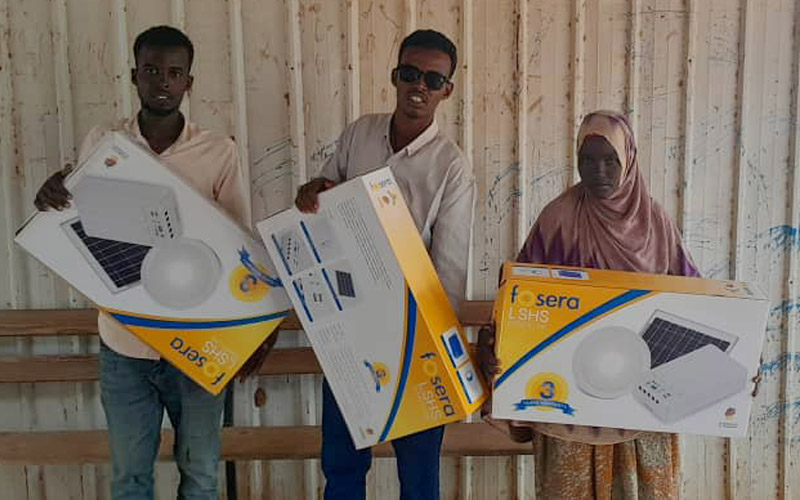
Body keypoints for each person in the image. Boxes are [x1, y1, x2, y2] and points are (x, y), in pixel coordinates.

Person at [34, 25, 272, 500]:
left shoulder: (217, 152)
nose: (162, 81)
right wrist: (53, 192)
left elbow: (241, 248)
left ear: (189, 82)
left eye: (174, 72)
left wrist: (255, 329)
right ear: (133, 76)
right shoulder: (106, 143)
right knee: (130, 479)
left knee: (201, 477)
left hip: (199, 345)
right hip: (125, 347)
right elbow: (78, 216)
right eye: (151, 70)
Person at [478, 111, 699, 499]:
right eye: (587, 160)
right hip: (569, 411)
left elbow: (696, 303)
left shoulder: (656, 224)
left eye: (610, 159)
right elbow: (520, 300)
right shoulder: (558, 220)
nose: (598, 170)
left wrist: (739, 362)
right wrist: (495, 347)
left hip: (642, 411)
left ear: (628, 160)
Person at [295, 29, 474, 500]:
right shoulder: (360, 132)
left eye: (433, 79)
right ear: (395, 76)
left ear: (447, 90)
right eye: (410, 74)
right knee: (342, 464)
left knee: (417, 477)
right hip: (349, 326)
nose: (419, 86)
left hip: (413, 336)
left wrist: (431, 349)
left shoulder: (451, 165)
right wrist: (312, 192)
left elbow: (449, 267)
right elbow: (326, 193)